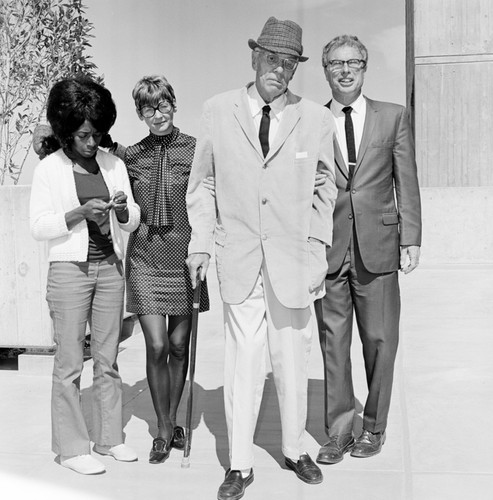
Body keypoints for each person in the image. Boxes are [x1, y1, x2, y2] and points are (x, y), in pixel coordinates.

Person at [186, 17, 337, 500]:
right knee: (244, 362)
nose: (280, 68)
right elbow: (203, 185)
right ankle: (240, 463)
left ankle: (295, 450)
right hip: (239, 258)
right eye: (272, 58)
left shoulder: (314, 118)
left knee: (292, 358)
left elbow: (324, 186)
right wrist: (201, 245)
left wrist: (316, 247)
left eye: (289, 61)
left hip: (295, 261)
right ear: (254, 58)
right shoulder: (216, 110)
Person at [314, 35, 422, 465]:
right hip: (328, 249)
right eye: (336, 63)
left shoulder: (392, 117)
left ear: (364, 66)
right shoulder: (312, 120)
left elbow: (405, 179)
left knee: (380, 341)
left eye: (353, 62)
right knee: (333, 344)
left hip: (378, 245)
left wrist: (411, 236)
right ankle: (339, 431)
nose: (344, 70)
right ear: (325, 70)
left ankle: (373, 427)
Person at [29, 77, 140, 475]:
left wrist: (123, 209)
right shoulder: (49, 170)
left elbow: (130, 221)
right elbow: (39, 226)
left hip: (110, 268)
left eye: (98, 134)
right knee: (70, 362)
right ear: (65, 130)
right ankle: (73, 448)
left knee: (108, 361)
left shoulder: (115, 165)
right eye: (83, 135)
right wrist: (79, 213)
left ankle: (110, 440)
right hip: (69, 272)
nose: (92, 142)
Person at [105, 75, 209, 464]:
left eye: (163, 105)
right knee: (158, 344)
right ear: (140, 114)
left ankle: (175, 419)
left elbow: (210, 197)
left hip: (185, 257)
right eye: (148, 108)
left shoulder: (197, 150)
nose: (157, 114)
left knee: (180, 346)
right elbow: (99, 145)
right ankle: (164, 428)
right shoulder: (131, 155)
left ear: (174, 104)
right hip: (146, 258)